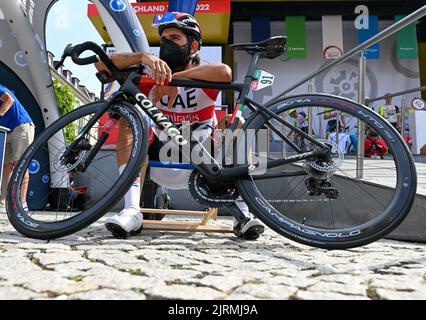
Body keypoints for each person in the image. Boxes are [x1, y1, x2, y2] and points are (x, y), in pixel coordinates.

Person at [95, 12, 265, 240]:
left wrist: (175, 80)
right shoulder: (151, 72)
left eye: (174, 38)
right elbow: (101, 65)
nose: (167, 43)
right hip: (160, 156)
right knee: (130, 121)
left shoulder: (204, 73)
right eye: (163, 38)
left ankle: (243, 214)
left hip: (203, 160)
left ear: (193, 45)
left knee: (239, 123)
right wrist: (144, 56)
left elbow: (225, 72)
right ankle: (132, 210)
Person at [0, 83, 35, 214]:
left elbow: (9, 100)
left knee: (20, 165)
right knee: (6, 166)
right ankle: (3, 203)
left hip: (21, 126)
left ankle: (22, 204)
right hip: (6, 130)